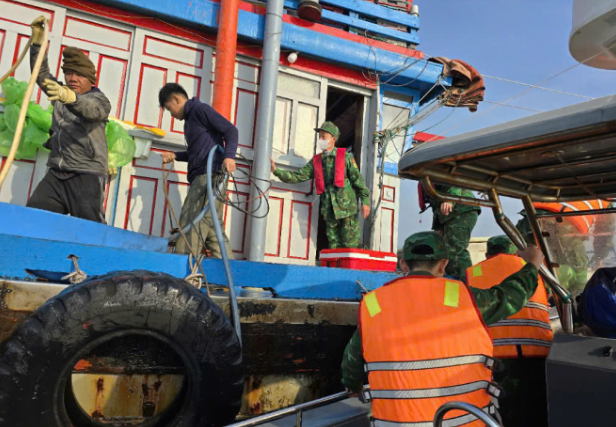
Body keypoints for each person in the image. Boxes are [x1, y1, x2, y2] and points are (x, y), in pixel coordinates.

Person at [341, 231, 544, 426]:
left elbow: (351, 365)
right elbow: (510, 295)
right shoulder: (464, 297)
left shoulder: (373, 303)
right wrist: (532, 265)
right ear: (443, 264)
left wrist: (354, 386)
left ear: (403, 264)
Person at [26, 17, 111, 223]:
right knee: (34, 218)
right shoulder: (60, 92)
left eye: (79, 75)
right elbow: (41, 73)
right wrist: (37, 43)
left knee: (90, 229)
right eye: (69, 73)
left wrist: (70, 98)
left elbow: (90, 110)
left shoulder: (99, 100)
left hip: (86, 175)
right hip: (57, 173)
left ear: (92, 80)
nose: (73, 78)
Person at [466, 235, 553, 427]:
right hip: (539, 355)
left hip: (497, 361)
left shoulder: (471, 273)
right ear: (514, 251)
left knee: (507, 415)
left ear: (487, 254)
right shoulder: (538, 272)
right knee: (539, 410)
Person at [158, 83, 237, 258]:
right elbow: (197, 153)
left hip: (209, 176)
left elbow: (231, 130)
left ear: (176, 99)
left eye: (170, 109)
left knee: (192, 221)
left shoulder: (200, 110)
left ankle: (183, 273)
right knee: (212, 230)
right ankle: (231, 276)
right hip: (203, 176)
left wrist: (229, 155)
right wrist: (175, 155)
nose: (171, 115)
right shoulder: (190, 122)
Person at [270, 122, 370, 249]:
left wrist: (365, 201)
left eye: (324, 137)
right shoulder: (317, 161)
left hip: (347, 209)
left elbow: (358, 181)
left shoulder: (345, 157)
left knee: (350, 246)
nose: (321, 139)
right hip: (329, 211)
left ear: (333, 139)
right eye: (320, 137)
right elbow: (298, 176)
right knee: (334, 247)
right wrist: (276, 171)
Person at [516, 199, 614, 295]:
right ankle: (572, 304)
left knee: (517, 260)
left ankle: (523, 292)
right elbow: (606, 227)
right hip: (562, 225)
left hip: (529, 219)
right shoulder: (603, 195)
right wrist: (600, 256)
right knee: (578, 272)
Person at [426, 184, 481, 280]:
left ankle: (466, 282)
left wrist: (450, 199)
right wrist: (438, 226)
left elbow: (452, 181)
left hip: (461, 209)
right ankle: (454, 279)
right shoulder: (424, 178)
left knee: (455, 249)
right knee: (447, 249)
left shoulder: (429, 172)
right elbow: (436, 205)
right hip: (450, 214)